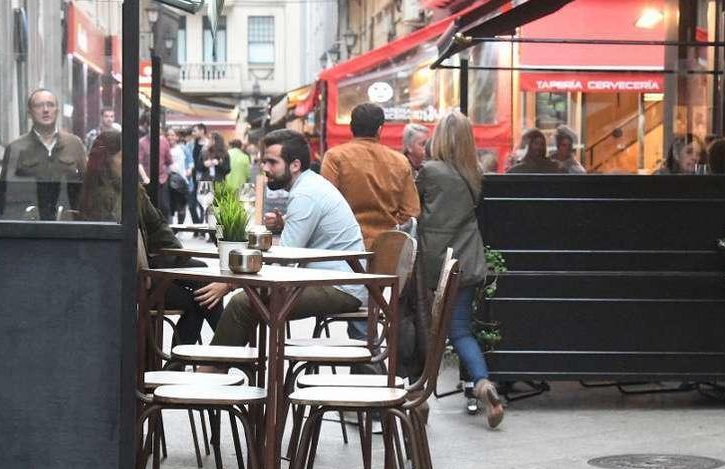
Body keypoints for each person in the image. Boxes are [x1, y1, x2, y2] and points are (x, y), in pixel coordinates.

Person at [196, 129, 365, 350]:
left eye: (271, 162)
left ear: (295, 165)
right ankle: (226, 366)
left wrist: (229, 283)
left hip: (340, 287)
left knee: (243, 302)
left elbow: (285, 259)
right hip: (331, 280)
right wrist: (284, 225)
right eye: (264, 161)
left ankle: (212, 371)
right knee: (248, 299)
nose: (264, 168)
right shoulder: (309, 185)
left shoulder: (305, 194)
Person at [80, 130, 223, 346]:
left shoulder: (131, 189)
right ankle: (224, 349)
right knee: (200, 298)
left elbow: (158, 228)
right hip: (124, 278)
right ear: (107, 161)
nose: (132, 162)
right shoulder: (100, 196)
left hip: (145, 265)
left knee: (202, 274)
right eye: (124, 157)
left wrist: (181, 260)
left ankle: (209, 353)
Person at [417, 111, 503, 428]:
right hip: (465, 262)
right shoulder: (474, 174)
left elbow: (413, 210)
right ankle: (483, 385)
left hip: (432, 265)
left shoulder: (428, 172)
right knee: (461, 331)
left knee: (428, 332)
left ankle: (420, 397)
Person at [318, 102, 420, 250]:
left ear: (351, 127)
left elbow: (325, 204)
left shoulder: (335, 157)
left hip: (344, 245)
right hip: (387, 247)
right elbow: (411, 211)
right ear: (379, 129)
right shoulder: (400, 161)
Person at [0, 88, 86, 220]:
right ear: (30, 113)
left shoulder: (74, 144)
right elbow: (3, 195)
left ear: (57, 110)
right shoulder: (16, 148)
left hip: (66, 227)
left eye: (50, 105)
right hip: (29, 227)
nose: (46, 110)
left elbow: (85, 189)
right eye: (39, 105)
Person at [138, 116, 173, 219]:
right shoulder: (142, 142)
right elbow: (138, 162)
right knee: (149, 208)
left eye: (159, 127)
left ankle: (165, 230)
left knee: (165, 208)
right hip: (147, 180)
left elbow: (169, 161)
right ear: (147, 127)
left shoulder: (164, 141)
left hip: (162, 180)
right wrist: (145, 178)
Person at [166, 127, 189, 224]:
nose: (170, 137)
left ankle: (180, 228)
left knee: (181, 207)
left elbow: (184, 165)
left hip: (180, 181)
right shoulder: (164, 147)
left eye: (172, 135)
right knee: (170, 206)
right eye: (168, 135)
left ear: (176, 137)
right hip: (168, 180)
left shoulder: (182, 148)